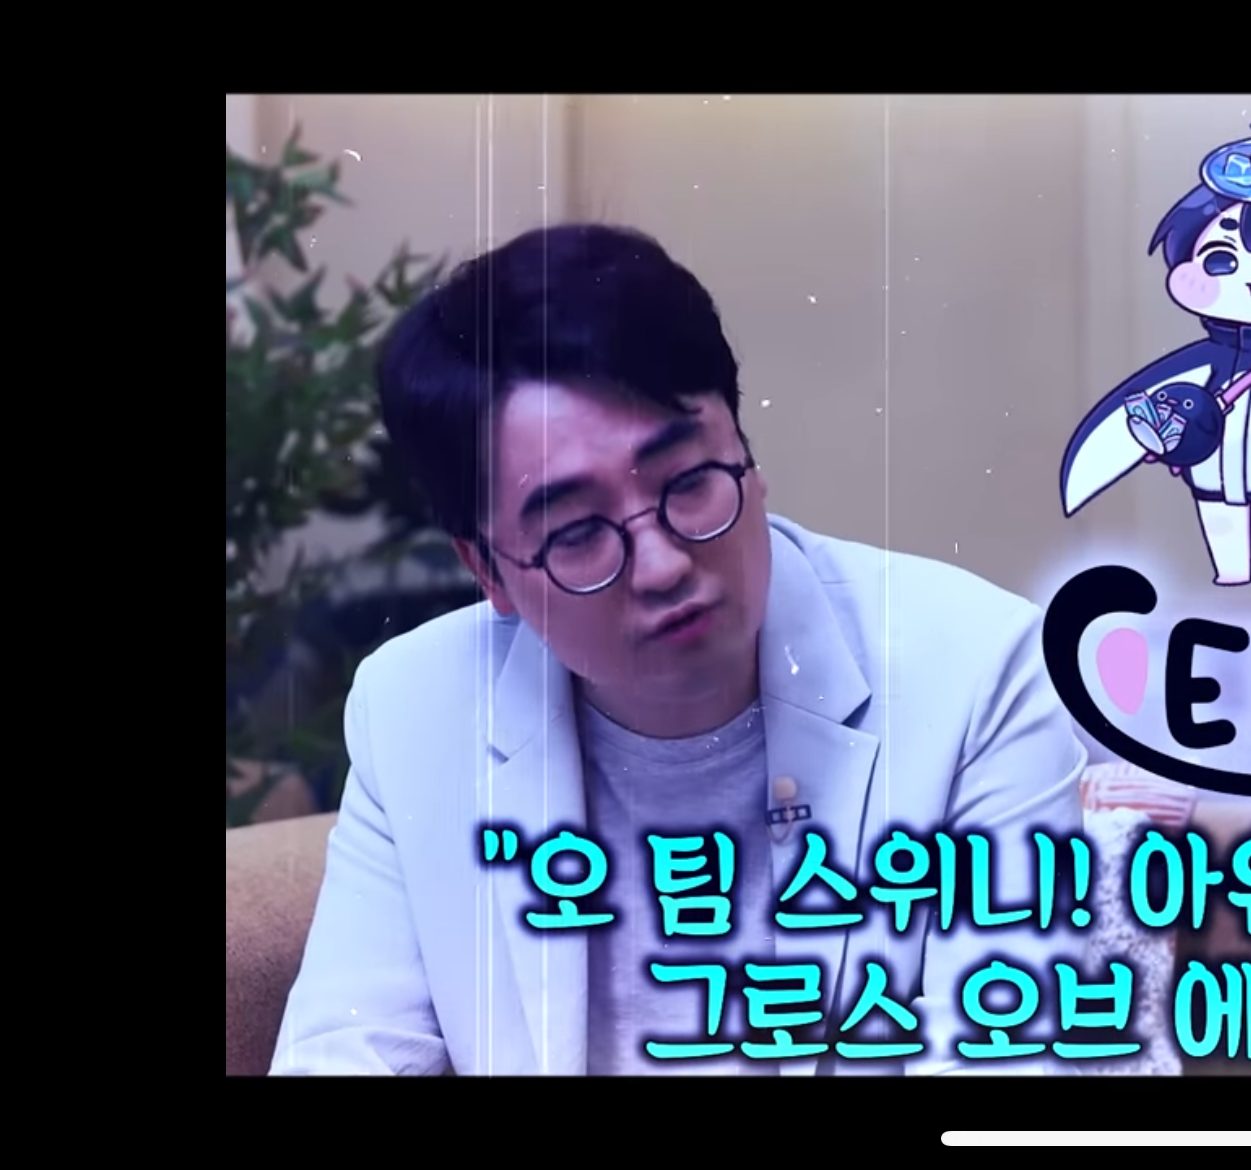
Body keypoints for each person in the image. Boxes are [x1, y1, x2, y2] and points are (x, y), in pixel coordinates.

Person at [268, 224, 1091, 1075]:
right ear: (488, 572)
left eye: (691, 484)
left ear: (748, 459)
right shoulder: (413, 706)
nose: (662, 566)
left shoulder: (978, 669)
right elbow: (346, 1049)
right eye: (577, 532)